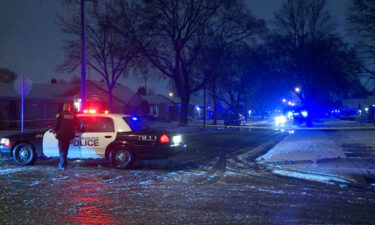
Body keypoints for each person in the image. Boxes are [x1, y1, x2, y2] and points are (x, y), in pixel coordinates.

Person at [54, 103, 79, 170]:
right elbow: (78, 125)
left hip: (61, 135)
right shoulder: (73, 115)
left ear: (64, 108)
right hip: (69, 135)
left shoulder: (60, 115)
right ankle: (64, 163)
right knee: (65, 149)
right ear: (69, 108)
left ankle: (62, 164)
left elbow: (56, 125)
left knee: (62, 149)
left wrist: (55, 132)